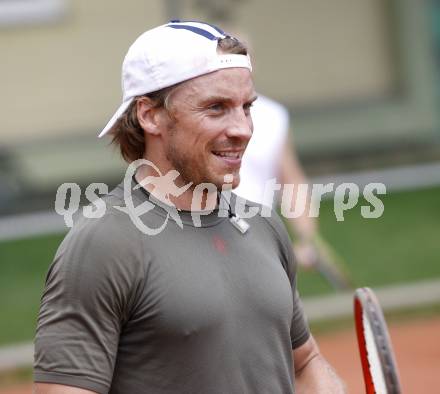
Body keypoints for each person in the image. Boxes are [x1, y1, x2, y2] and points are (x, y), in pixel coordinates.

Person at [34, 20, 346, 393]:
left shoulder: (263, 225)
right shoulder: (105, 244)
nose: (243, 129)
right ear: (150, 115)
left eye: (246, 107)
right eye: (216, 108)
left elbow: (304, 362)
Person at [234, 95, 353, 289]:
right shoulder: (194, 110)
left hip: (260, 237)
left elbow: (290, 181)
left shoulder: (272, 115)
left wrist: (308, 238)